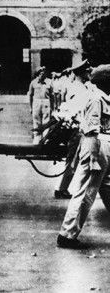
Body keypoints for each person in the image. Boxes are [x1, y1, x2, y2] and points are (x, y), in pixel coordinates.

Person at [57, 64, 110, 249]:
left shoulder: (103, 97)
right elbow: (92, 129)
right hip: (96, 146)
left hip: (103, 146)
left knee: (107, 187)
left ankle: (68, 233)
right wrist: (94, 157)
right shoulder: (96, 98)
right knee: (86, 191)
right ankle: (67, 234)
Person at [54, 60, 95, 199]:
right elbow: (75, 110)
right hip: (77, 129)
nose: (89, 73)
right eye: (87, 71)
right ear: (81, 73)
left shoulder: (79, 87)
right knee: (73, 161)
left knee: (77, 160)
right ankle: (62, 189)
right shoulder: (79, 89)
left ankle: (64, 188)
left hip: (78, 128)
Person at [29, 66, 52, 144]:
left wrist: (53, 106)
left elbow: (52, 96)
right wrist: (30, 107)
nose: (42, 75)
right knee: (36, 120)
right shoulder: (33, 82)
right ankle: (37, 138)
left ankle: (45, 138)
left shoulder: (49, 82)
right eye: (40, 73)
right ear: (37, 74)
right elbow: (30, 95)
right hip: (36, 102)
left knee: (46, 121)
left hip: (46, 102)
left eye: (43, 73)